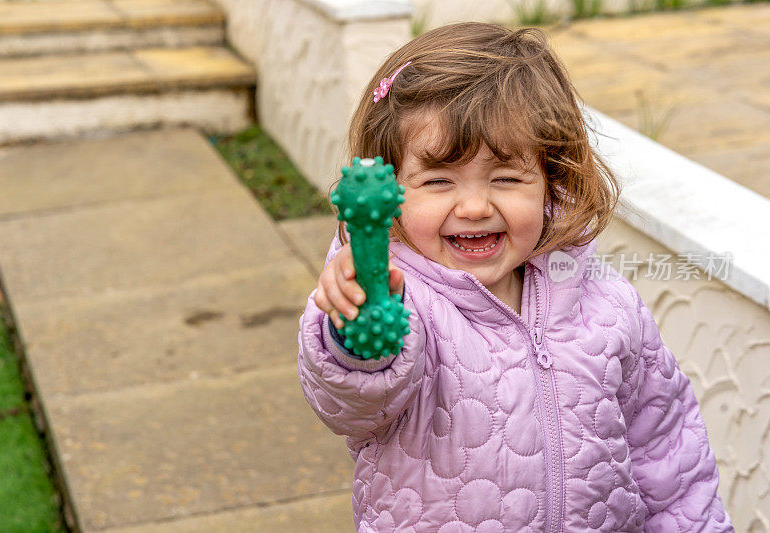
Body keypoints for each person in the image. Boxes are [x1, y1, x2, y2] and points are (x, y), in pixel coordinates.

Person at [297, 22, 733, 532]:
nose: (476, 206)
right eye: (438, 180)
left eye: (506, 178)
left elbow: (667, 449)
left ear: (551, 180)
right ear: (392, 191)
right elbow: (354, 403)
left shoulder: (608, 304)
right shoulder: (402, 301)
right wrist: (355, 326)